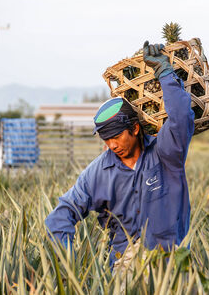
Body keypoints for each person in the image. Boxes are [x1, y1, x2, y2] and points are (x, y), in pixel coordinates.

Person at [45, 41, 195, 271]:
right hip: (125, 268)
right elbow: (60, 217)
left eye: (116, 137)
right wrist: (70, 266)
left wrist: (165, 73)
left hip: (172, 263)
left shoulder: (166, 155)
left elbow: (181, 118)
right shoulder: (98, 173)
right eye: (106, 140)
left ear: (135, 129)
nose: (112, 145)